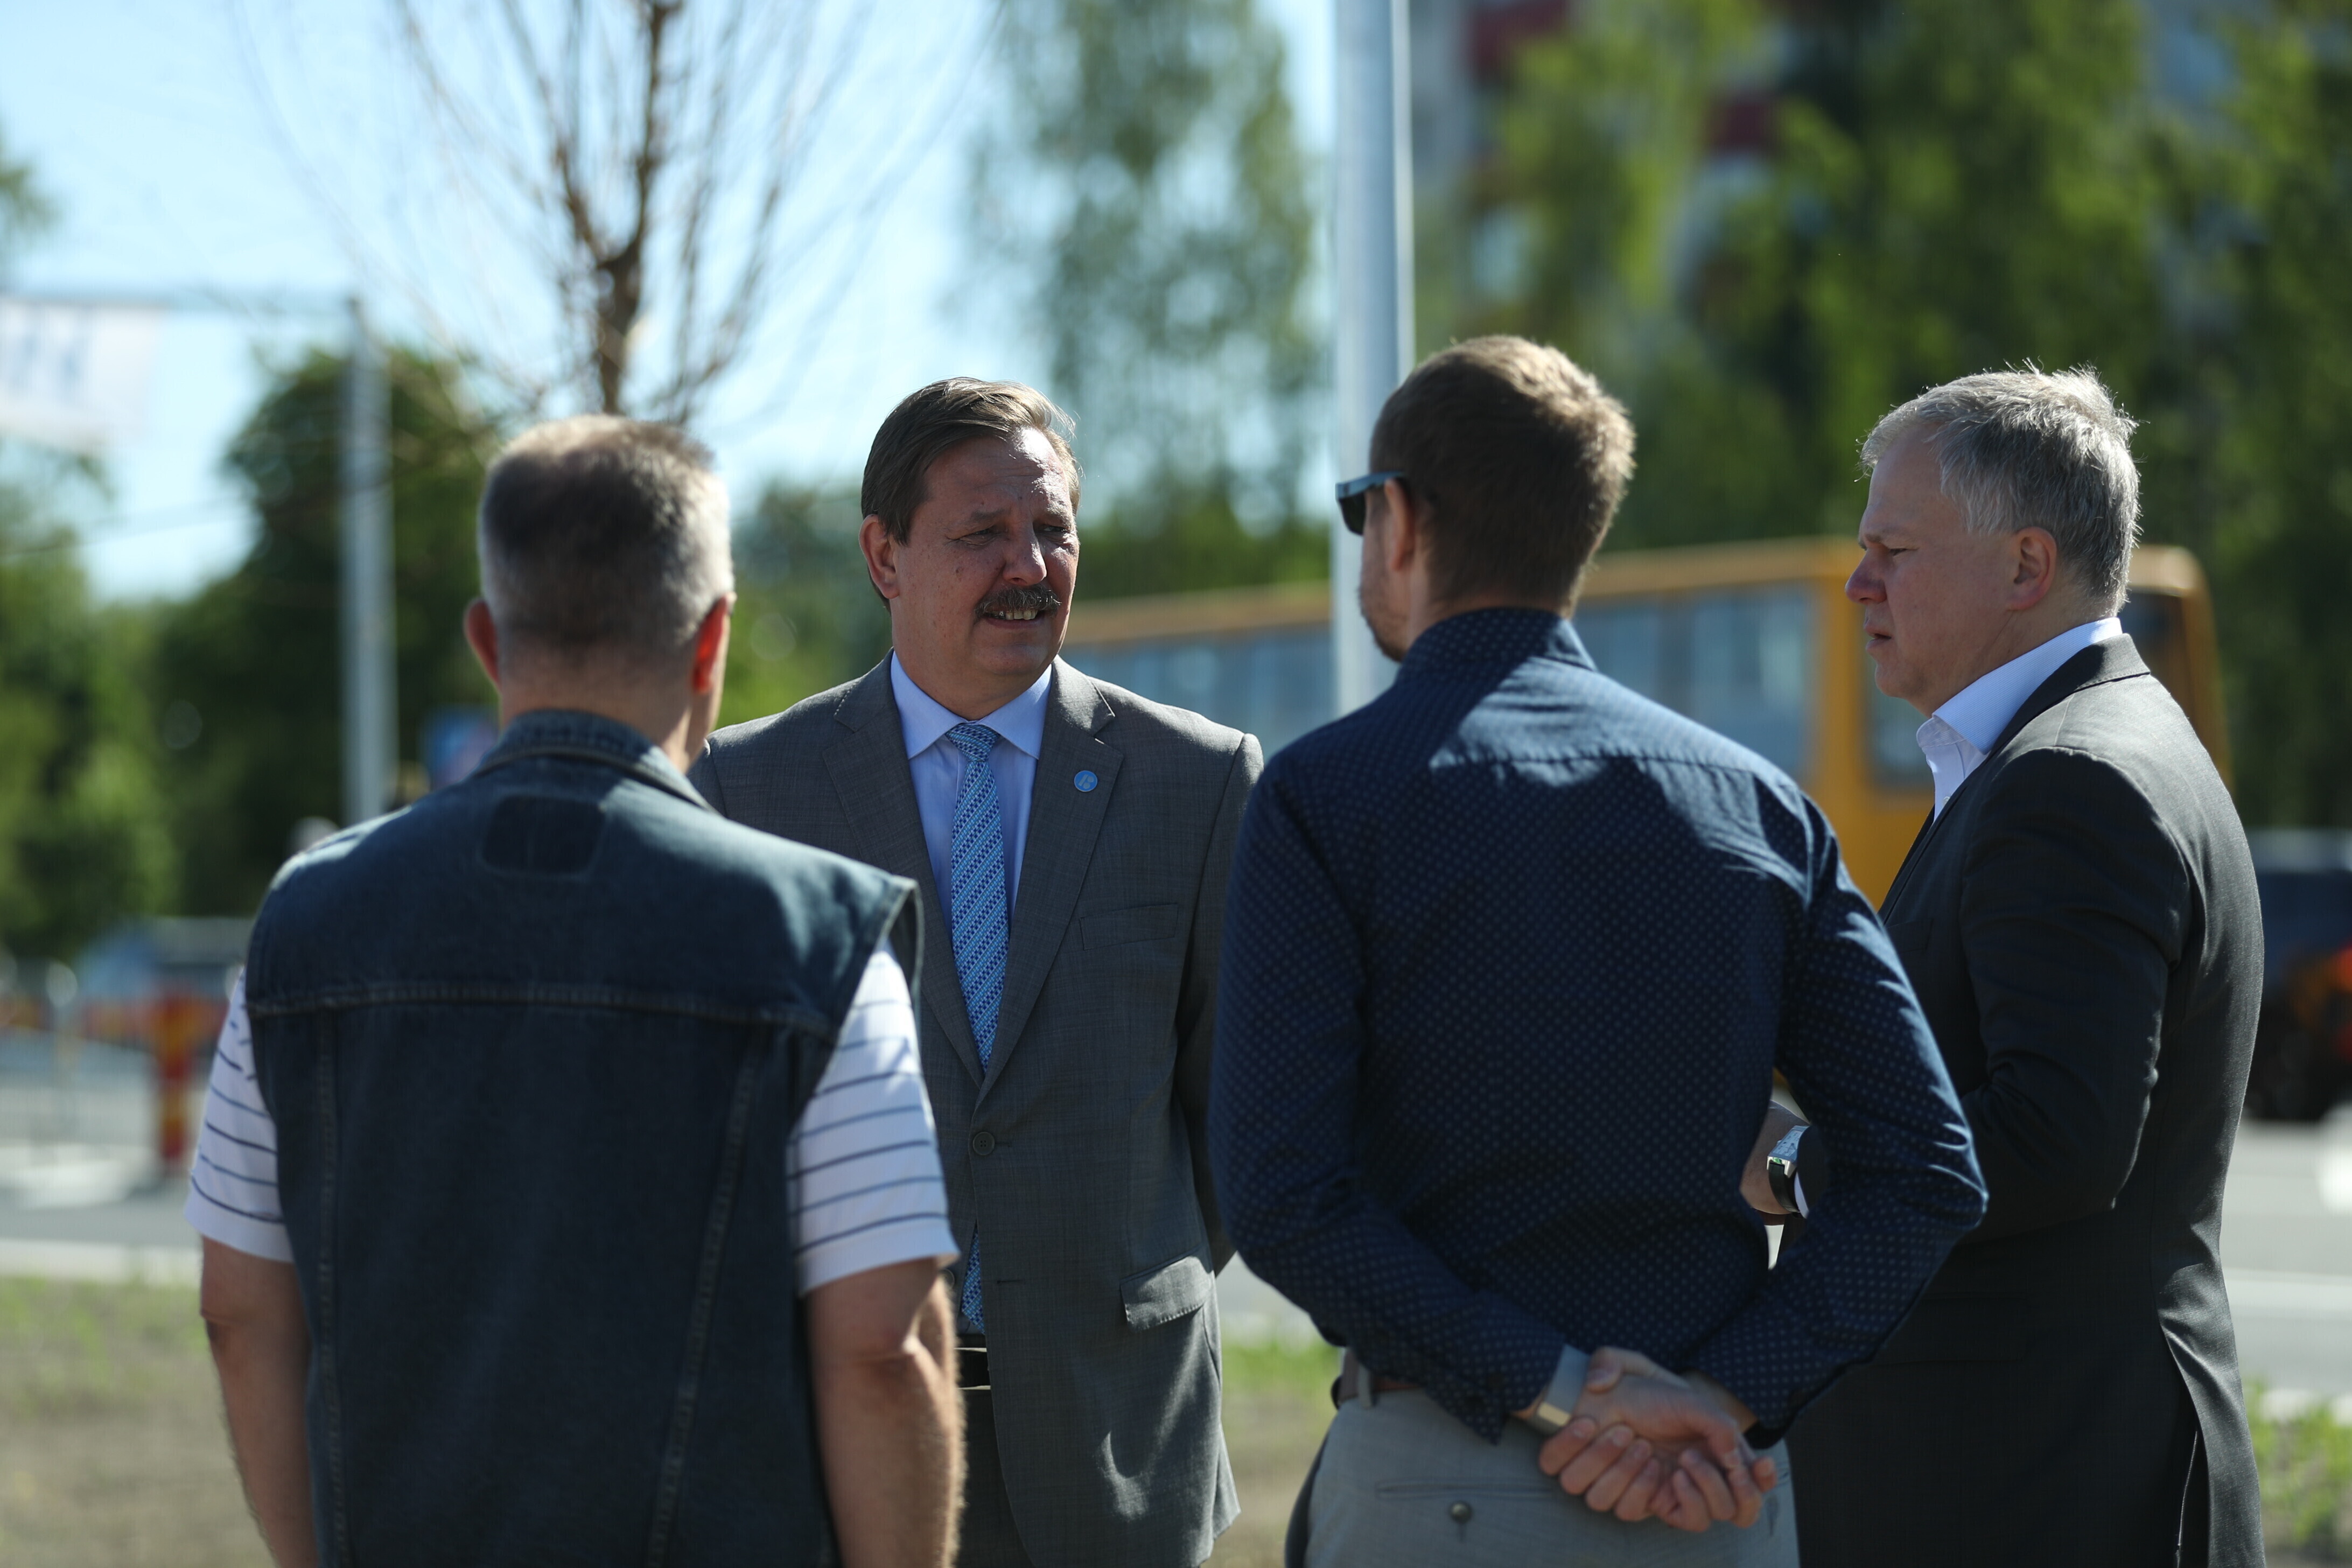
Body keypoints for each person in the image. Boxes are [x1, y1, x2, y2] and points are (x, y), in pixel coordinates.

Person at [1209, 336, 1990, 1567]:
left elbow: (1285, 1198)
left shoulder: (1324, 800)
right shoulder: (1760, 808)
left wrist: (1564, 1388)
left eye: (1362, 509)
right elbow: (1927, 1169)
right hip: (1711, 1496)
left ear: (1403, 521)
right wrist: (1724, 1394)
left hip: (1441, 1492)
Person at [188, 417, 964, 1568]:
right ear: (713, 640)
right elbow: (880, 1356)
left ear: (487, 640)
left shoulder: (300, 928)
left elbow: (242, 1314)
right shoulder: (826, 939)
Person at [689, 379, 1260, 1568]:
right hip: (852, 1435)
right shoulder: (750, 791)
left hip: (1121, 1431)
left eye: (1052, 528)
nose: (1029, 564)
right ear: (884, 557)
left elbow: (1235, 1112)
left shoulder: (1199, 782)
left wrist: (1115, 1272)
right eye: (983, 532)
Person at [1787, 367, 2265, 1567]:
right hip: (2038, 1473)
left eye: (1894, 550)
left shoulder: (2070, 780)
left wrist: (1793, 1164)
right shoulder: (2074, 751)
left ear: (2026, 566)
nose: (1857, 584)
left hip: (2038, 1487)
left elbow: (2055, 1136)